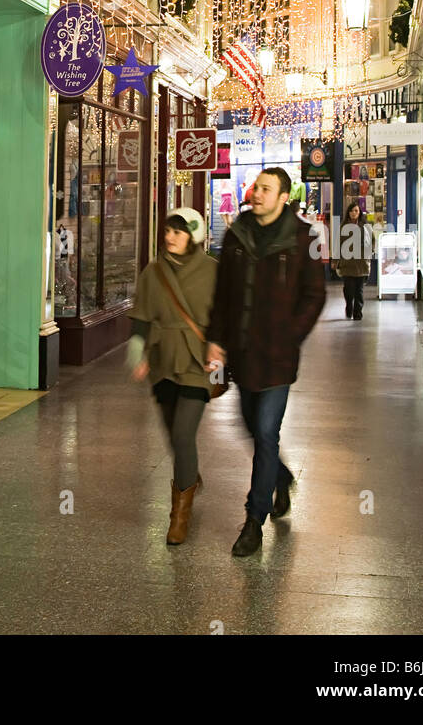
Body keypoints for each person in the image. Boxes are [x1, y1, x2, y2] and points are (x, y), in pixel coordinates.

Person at [205, 167, 325, 558]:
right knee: (250, 428)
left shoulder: (303, 238)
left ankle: (253, 521)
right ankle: (282, 477)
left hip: (277, 357)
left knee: (266, 433)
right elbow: (222, 296)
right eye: (256, 187)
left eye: (265, 189)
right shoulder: (237, 235)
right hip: (242, 353)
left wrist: (291, 335)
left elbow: (314, 295)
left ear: (283, 197)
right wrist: (217, 341)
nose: (256, 193)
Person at [127, 208, 218, 547]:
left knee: (183, 434)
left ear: (193, 236)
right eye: (167, 230)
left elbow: (223, 317)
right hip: (163, 358)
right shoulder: (153, 272)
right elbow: (141, 315)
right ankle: (188, 472)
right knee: (172, 433)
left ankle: (179, 517)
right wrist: (137, 352)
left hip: (196, 361)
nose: (169, 237)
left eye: (178, 232)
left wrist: (220, 351)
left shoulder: (211, 271)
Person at [335, 201, 372, 319]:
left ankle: (357, 313)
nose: (354, 213)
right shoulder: (343, 226)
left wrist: (369, 253)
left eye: (356, 210)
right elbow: (337, 243)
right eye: (351, 211)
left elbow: (372, 241)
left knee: (359, 291)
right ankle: (349, 306)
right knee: (348, 290)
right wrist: (335, 260)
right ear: (348, 213)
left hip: (361, 263)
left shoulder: (366, 226)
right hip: (347, 263)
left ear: (359, 212)